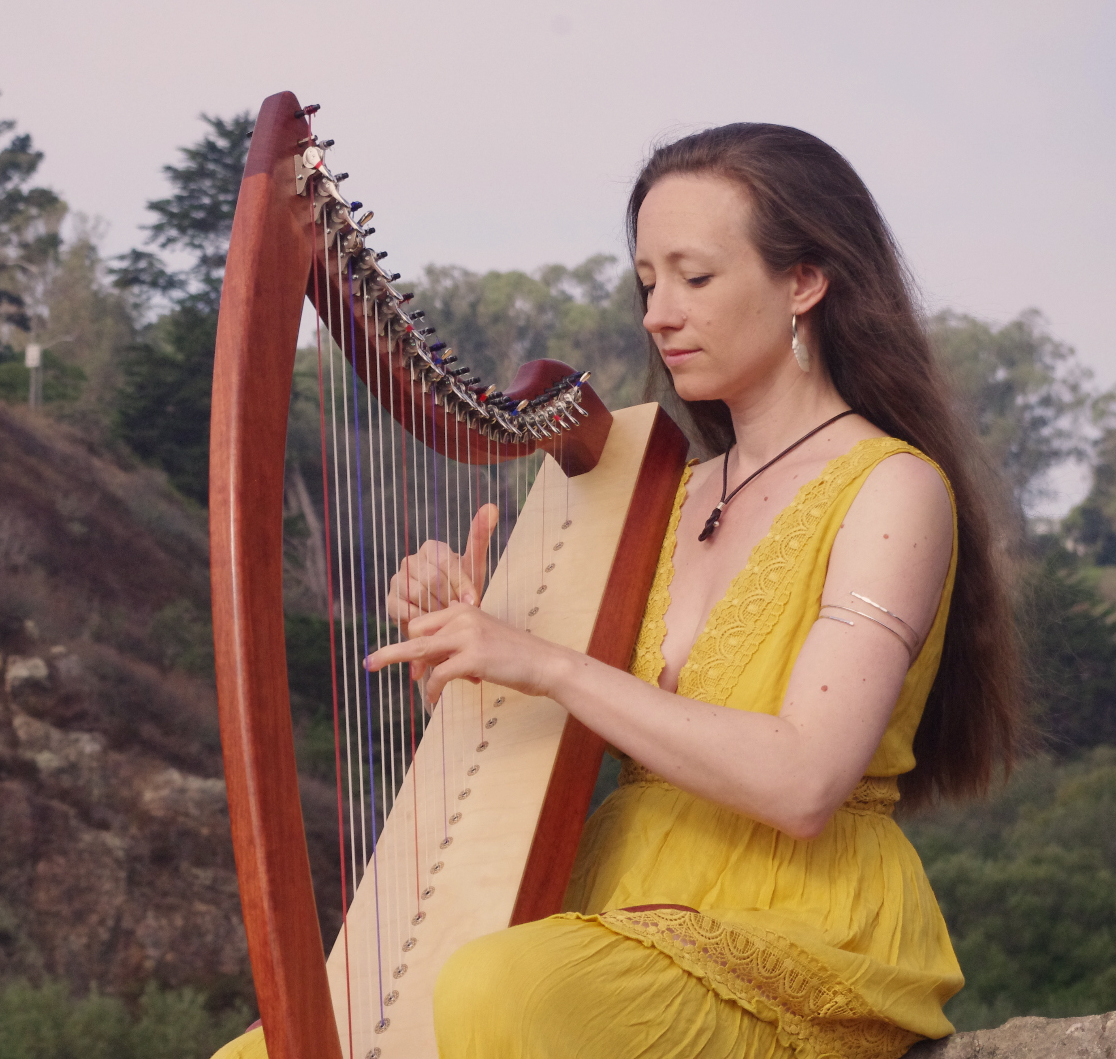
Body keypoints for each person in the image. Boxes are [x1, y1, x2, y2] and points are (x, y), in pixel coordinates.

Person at [370, 123, 1022, 1059]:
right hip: (616, 897)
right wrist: (460, 640)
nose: (657, 314)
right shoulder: (654, 499)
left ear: (805, 279)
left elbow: (803, 783)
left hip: (799, 921)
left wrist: (544, 660)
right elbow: (538, 738)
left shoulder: (893, 488)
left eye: (695, 277)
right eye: (646, 282)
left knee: (499, 990)